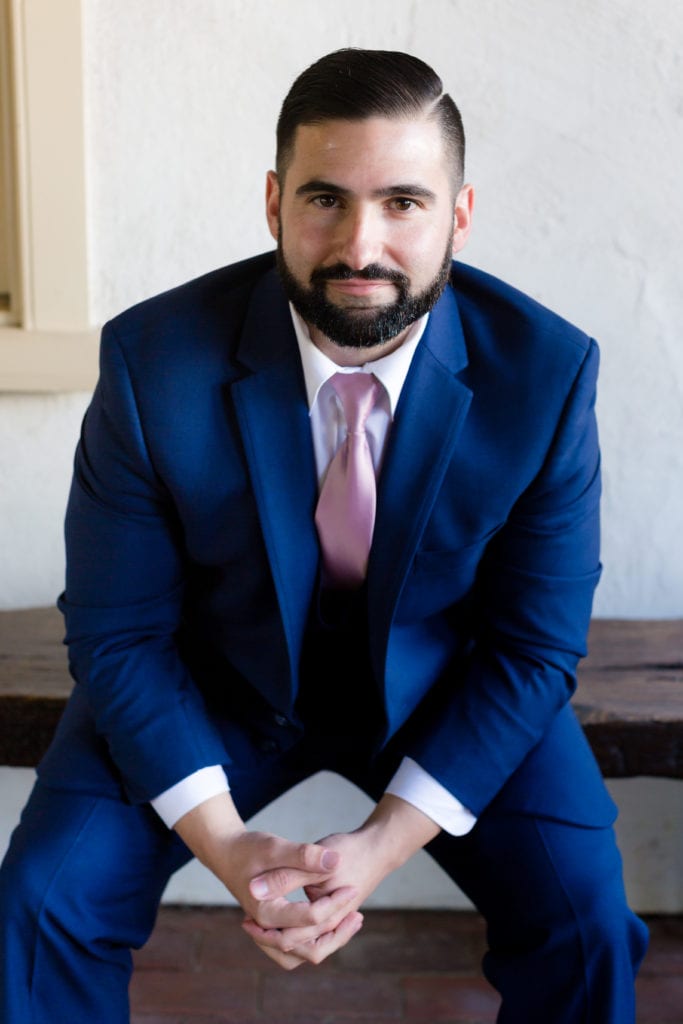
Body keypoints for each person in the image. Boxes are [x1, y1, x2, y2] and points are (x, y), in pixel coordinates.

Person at [0, 48, 647, 1023]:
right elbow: (117, 631)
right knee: (44, 900)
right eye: (324, 200)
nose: (359, 244)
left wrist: (379, 846)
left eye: (401, 202)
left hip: (448, 687)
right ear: (272, 204)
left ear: (457, 216)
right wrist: (228, 845)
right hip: (211, 680)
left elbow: (532, 645)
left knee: (586, 918)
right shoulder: (150, 363)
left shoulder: (545, 377)